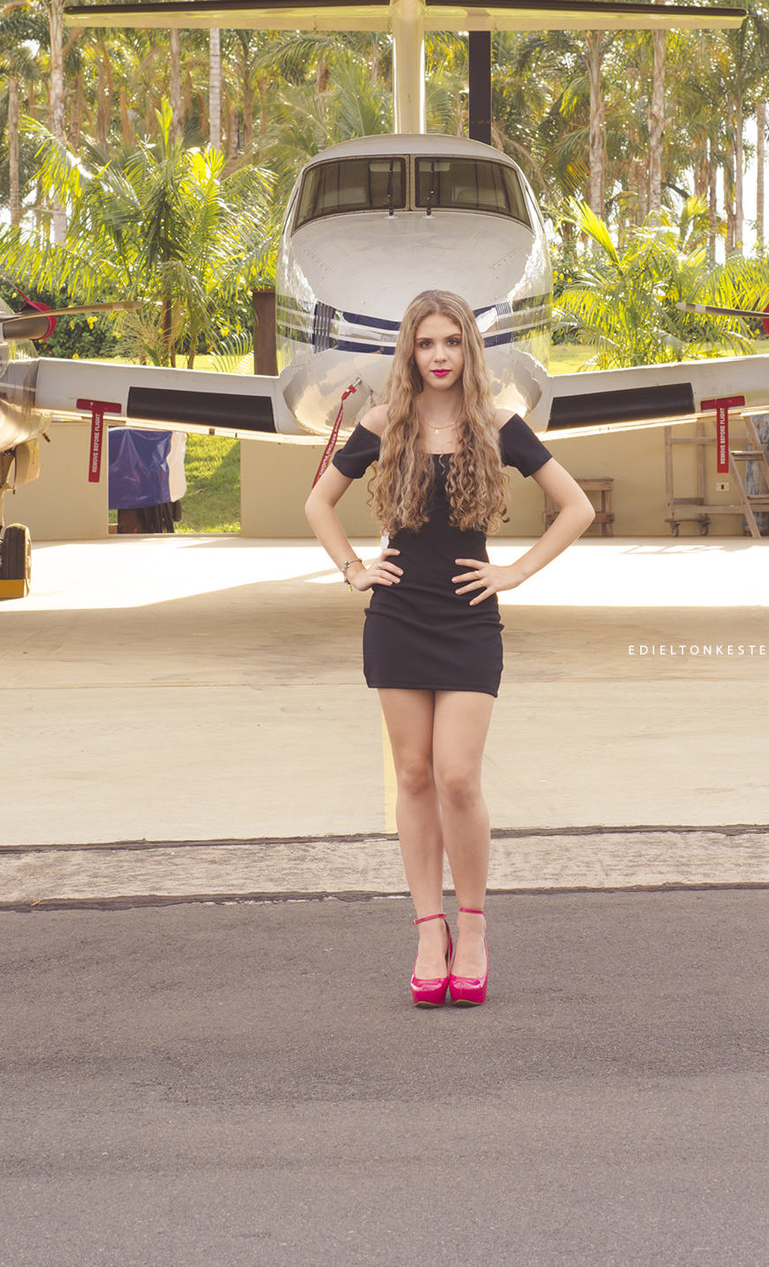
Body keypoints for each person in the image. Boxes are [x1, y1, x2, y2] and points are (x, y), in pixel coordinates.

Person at [304, 288, 595, 1008]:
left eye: (451, 343)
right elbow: (317, 503)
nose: (438, 356)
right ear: (410, 352)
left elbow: (576, 506)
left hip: (468, 618)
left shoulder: (499, 425)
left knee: (457, 776)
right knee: (411, 775)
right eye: (426, 343)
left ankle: (472, 928)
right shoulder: (383, 423)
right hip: (397, 615)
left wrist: (515, 572)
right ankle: (426, 931)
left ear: (470, 349)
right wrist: (353, 570)